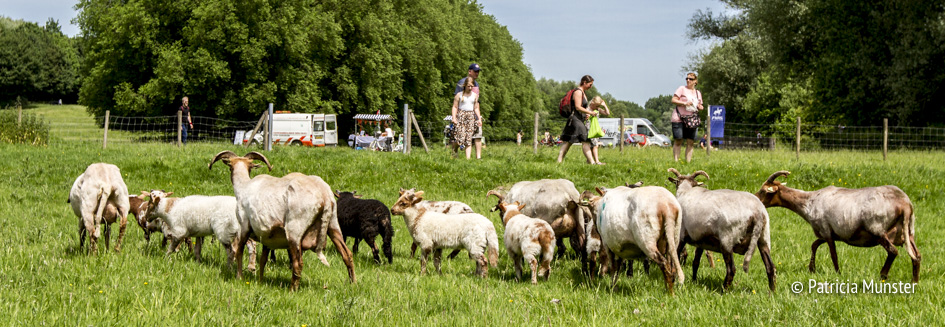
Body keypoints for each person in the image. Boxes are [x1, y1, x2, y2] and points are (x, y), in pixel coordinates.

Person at [557, 75, 598, 164]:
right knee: (585, 140)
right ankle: (592, 162)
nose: (591, 87)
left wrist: (586, 114)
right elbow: (578, 107)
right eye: (590, 85)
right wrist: (590, 113)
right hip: (575, 120)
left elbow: (581, 108)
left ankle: (559, 161)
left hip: (577, 119)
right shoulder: (578, 92)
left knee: (568, 141)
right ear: (584, 82)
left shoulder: (582, 92)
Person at [670, 72, 703, 162]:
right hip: (679, 118)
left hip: (692, 120)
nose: (688, 80)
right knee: (678, 140)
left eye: (691, 79)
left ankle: (688, 162)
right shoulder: (682, 89)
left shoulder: (697, 93)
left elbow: (700, 104)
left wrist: (700, 107)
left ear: (695, 81)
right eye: (687, 79)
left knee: (690, 141)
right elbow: (673, 100)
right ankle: (676, 161)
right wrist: (684, 103)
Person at [454, 63, 483, 159]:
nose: (477, 73)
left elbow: (476, 102)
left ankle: (476, 158)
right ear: (469, 71)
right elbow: (457, 101)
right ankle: (454, 153)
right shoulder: (461, 82)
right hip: (461, 115)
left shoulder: (477, 84)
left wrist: (479, 117)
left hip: (473, 115)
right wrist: (455, 116)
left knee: (475, 137)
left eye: (478, 71)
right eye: (475, 71)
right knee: (459, 138)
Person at [587, 96, 610, 165]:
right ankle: (596, 161)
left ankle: (589, 161)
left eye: (598, 106)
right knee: (595, 145)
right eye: (596, 105)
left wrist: (604, 105)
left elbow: (607, 113)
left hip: (595, 129)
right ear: (592, 103)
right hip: (589, 128)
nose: (597, 107)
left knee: (593, 145)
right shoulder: (587, 109)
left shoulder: (597, 109)